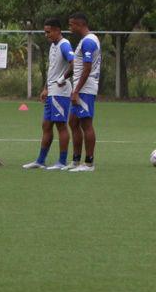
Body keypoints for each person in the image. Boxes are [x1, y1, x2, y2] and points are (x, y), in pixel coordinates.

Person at [23, 19, 74, 170]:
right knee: (46, 125)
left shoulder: (64, 44)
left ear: (58, 30)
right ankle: (40, 160)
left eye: (48, 31)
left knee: (61, 126)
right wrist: (46, 87)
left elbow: (74, 63)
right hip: (52, 91)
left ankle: (62, 162)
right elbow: (52, 69)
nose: (46, 35)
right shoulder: (53, 45)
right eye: (45, 32)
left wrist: (62, 79)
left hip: (61, 92)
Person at [66, 12, 101, 172]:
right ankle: (75, 160)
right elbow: (78, 66)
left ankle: (89, 163)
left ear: (80, 24)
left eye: (71, 24)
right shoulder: (84, 41)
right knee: (73, 122)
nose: (70, 27)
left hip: (85, 89)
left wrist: (76, 91)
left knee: (86, 124)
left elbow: (87, 69)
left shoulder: (88, 41)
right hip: (80, 88)